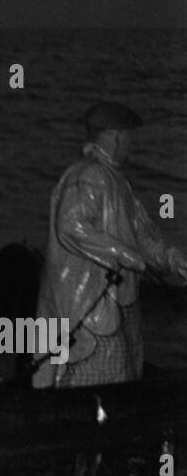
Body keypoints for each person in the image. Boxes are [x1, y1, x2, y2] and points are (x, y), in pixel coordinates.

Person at [31, 101, 187, 388]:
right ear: (115, 137)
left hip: (116, 305)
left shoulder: (119, 183)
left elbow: (141, 234)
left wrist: (171, 259)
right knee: (90, 371)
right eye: (128, 137)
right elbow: (71, 226)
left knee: (121, 370)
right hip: (88, 307)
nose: (131, 145)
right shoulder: (87, 176)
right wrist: (122, 253)